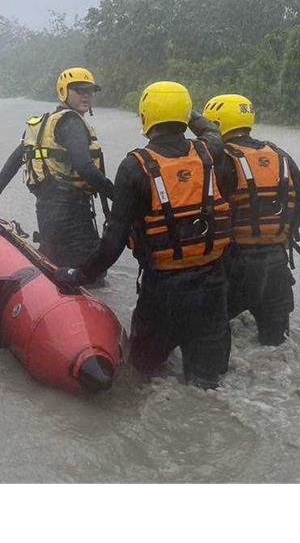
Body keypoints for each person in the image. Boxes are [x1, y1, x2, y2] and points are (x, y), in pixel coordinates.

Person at [57, 81, 239, 390]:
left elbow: (113, 243)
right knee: (207, 386)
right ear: (184, 116)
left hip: (162, 295)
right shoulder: (211, 152)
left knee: (143, 378)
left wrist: (79, 274)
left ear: (145, 117)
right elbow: (212, 131)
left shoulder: (134, 167)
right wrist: (186, 110)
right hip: (212, 291)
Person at [202, 94, 300, 345]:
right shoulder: (279, 155)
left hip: (234, 266)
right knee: (277, 348)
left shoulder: (221, 160)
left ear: (217, 124)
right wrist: (281, 231)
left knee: (212, 338)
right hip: (276, 265)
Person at [0, 67, 114, 268]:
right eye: (79, 90)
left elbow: (16, 158)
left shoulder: (43, 124)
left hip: (46, 213)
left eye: (90, 91)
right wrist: (119, 196)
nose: (86, 95)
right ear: (64, 92)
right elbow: (85, 168)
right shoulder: (72, 123)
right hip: (73, 215)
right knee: (92, 278)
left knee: (55, 266)